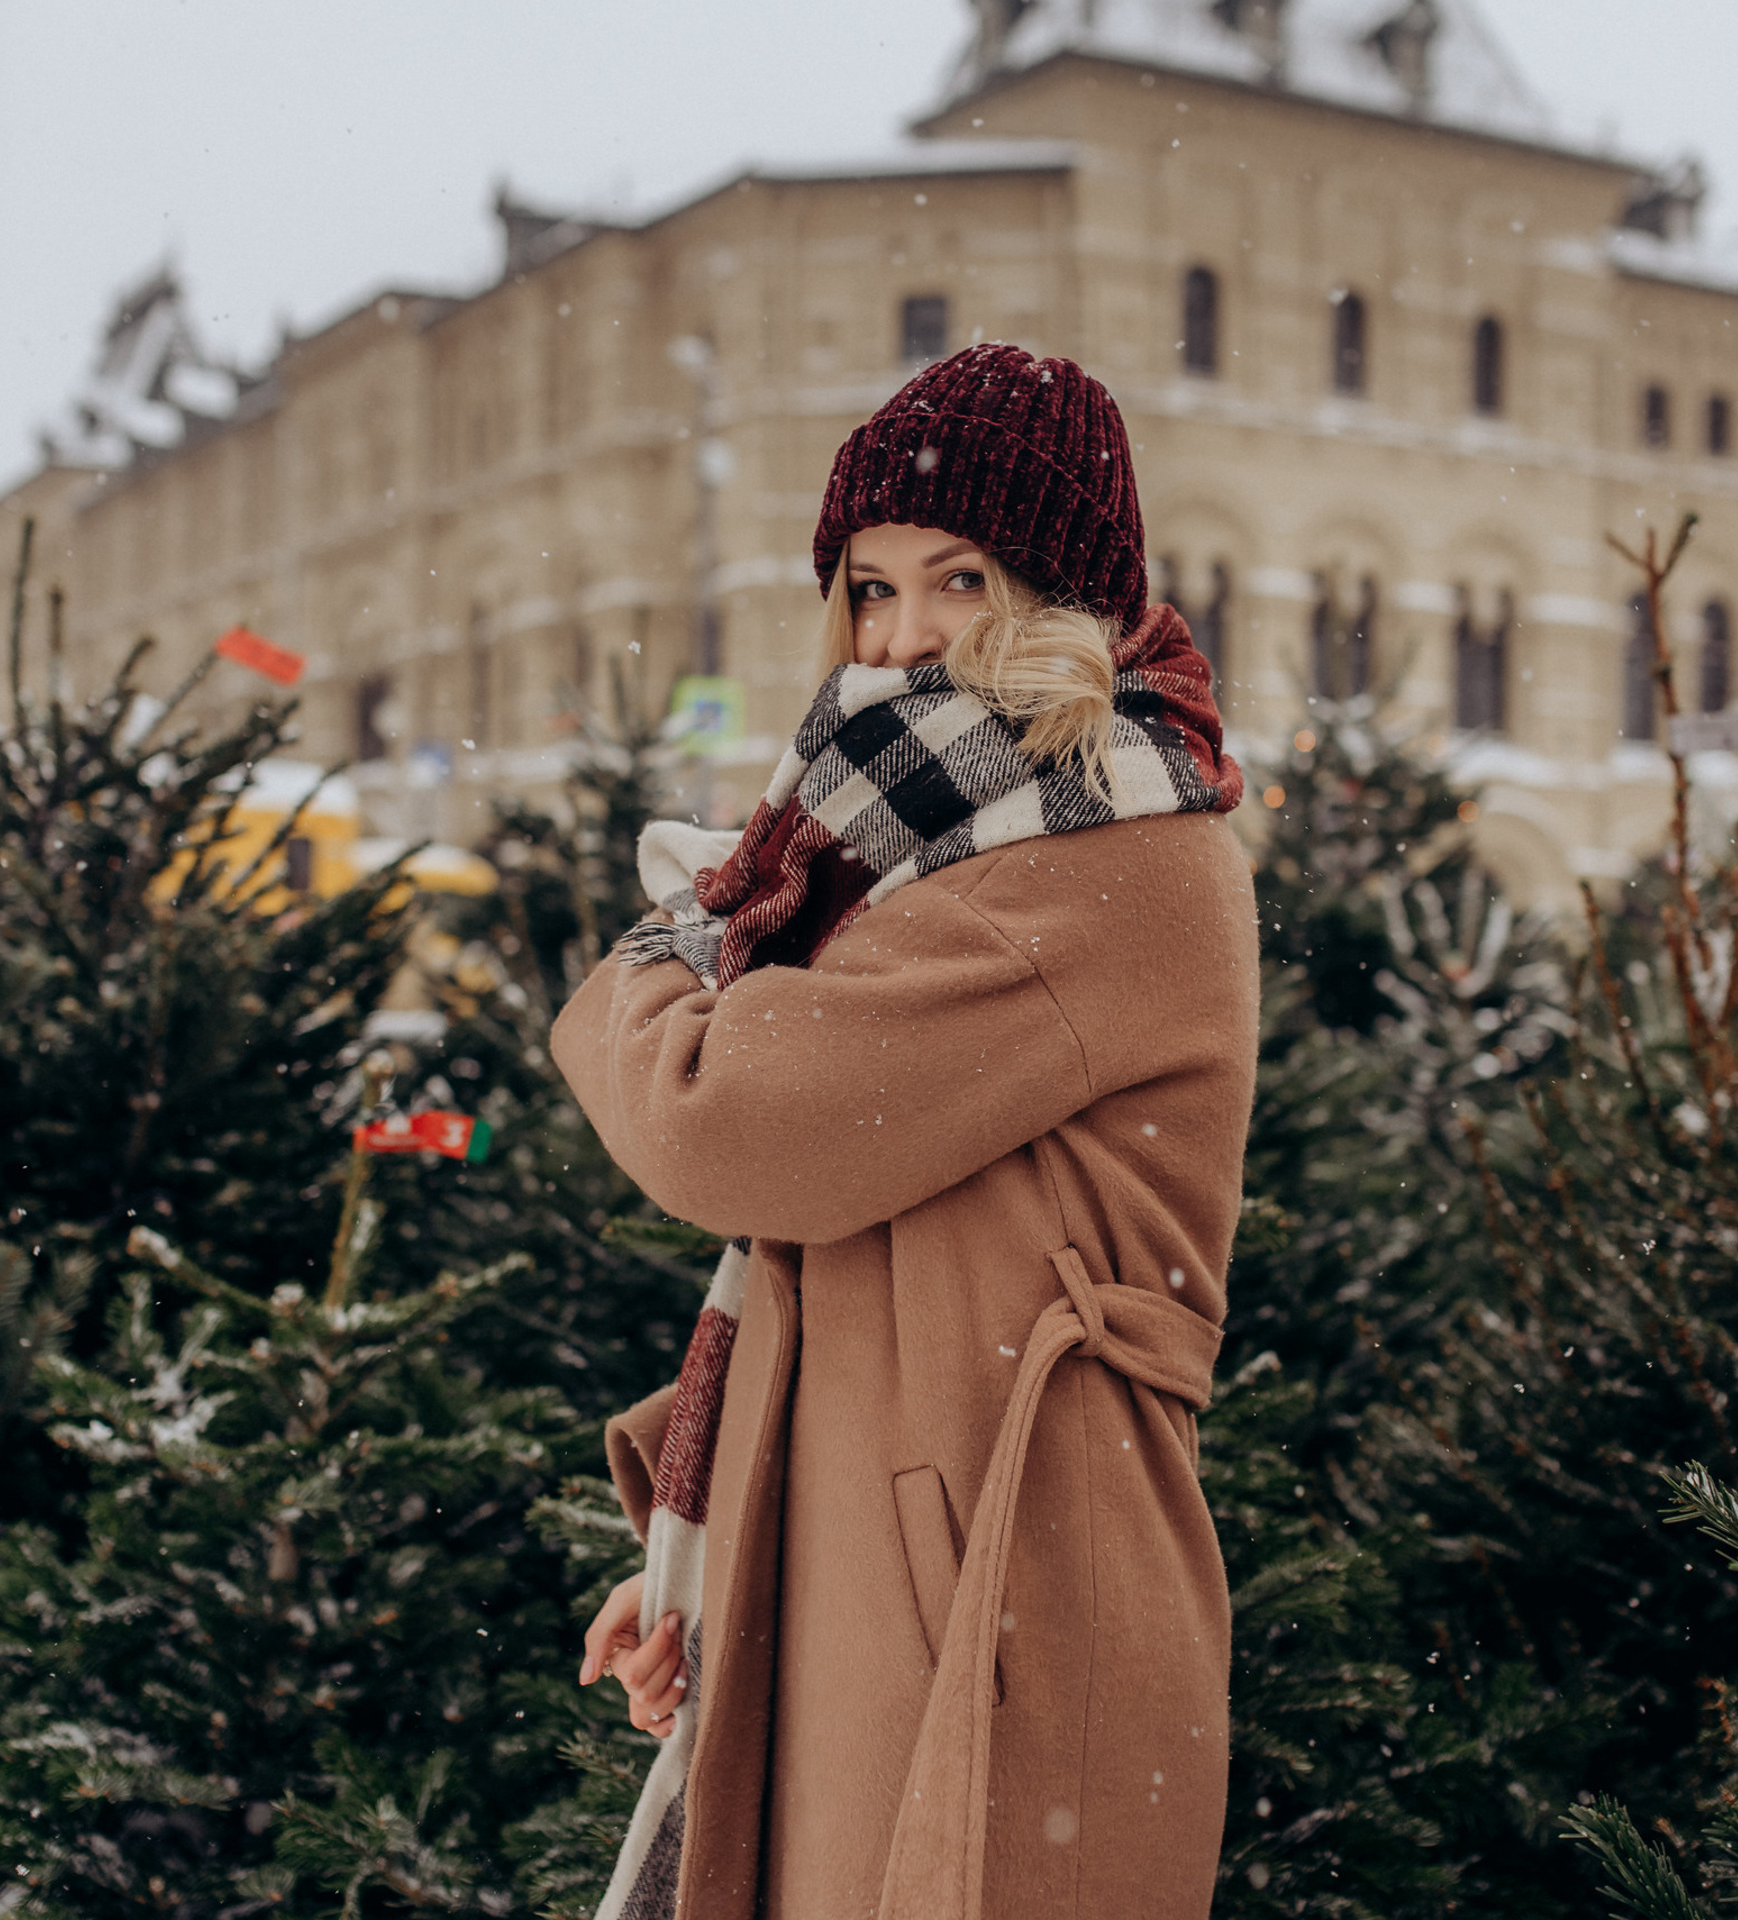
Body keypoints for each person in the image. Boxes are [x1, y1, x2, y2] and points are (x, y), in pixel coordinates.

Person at [551, 342, 1259, 1920]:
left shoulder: (1102, 844)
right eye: (870, 588)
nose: (907, 633)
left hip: (1008, 1584)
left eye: (961, 579)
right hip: (902, 1558)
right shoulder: (931, 834)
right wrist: (703, 1560)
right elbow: (844, 1250)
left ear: (1065, 592)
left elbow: (723, 1125)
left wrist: (649, 966)